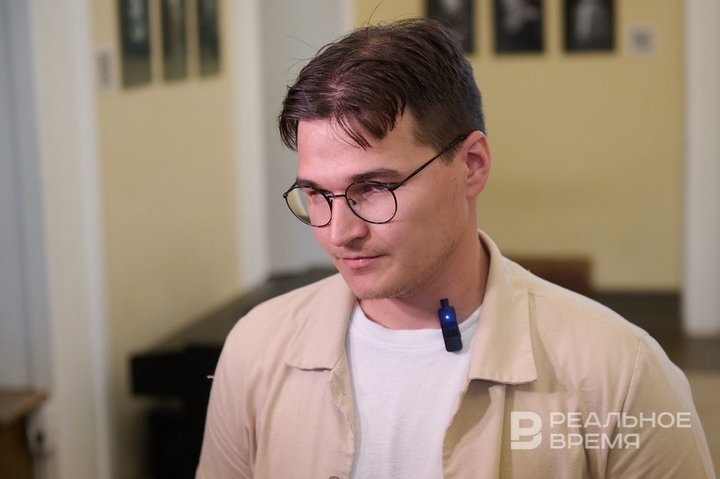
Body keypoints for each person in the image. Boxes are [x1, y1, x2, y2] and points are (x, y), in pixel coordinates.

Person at [196, 18, 715, 479]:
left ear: (471, 166)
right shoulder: (256, 350)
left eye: (373, 188)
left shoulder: (620, 374)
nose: (339, 232)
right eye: (315, 194)